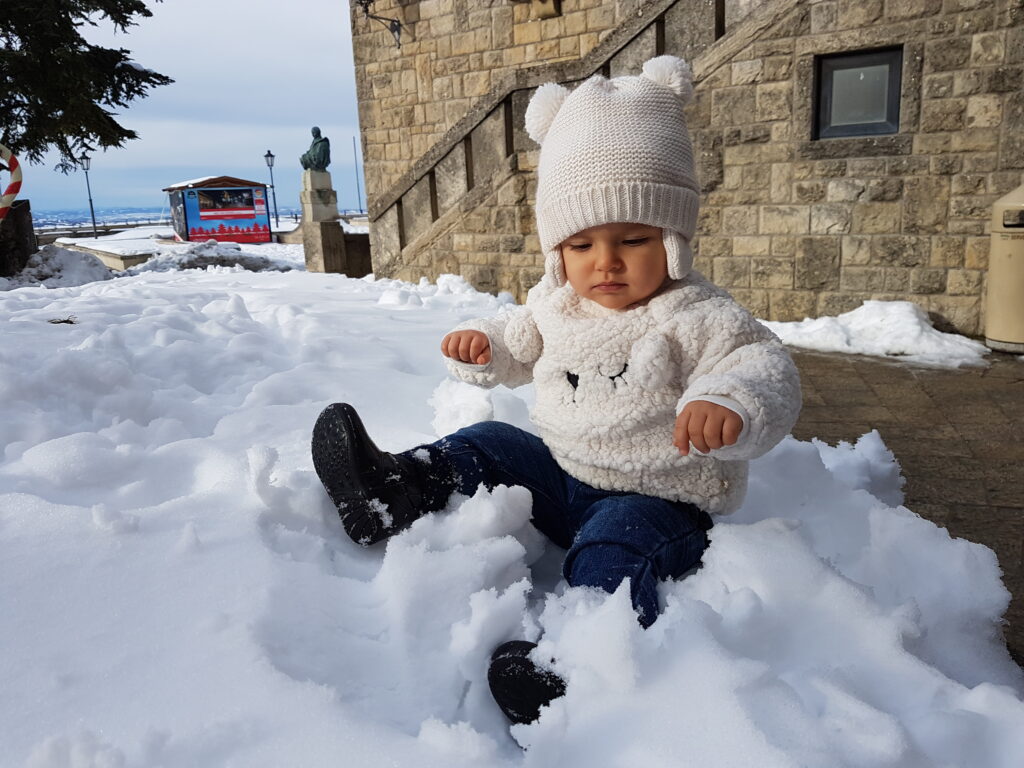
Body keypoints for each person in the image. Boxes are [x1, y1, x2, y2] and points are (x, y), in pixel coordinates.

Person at [311, 56, 802, 725]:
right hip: (563, 475)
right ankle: (395, 489)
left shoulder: (698, 315)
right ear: (556, 252)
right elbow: (518, 337)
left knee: (617, 547)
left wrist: (731, 402)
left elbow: (763, 365)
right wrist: (486, 345)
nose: (606, 261)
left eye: (634, 238)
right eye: (582, 245)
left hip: (661, 499)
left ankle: (573, 659)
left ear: (675, 240)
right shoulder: (557, 305)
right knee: (488, 440)